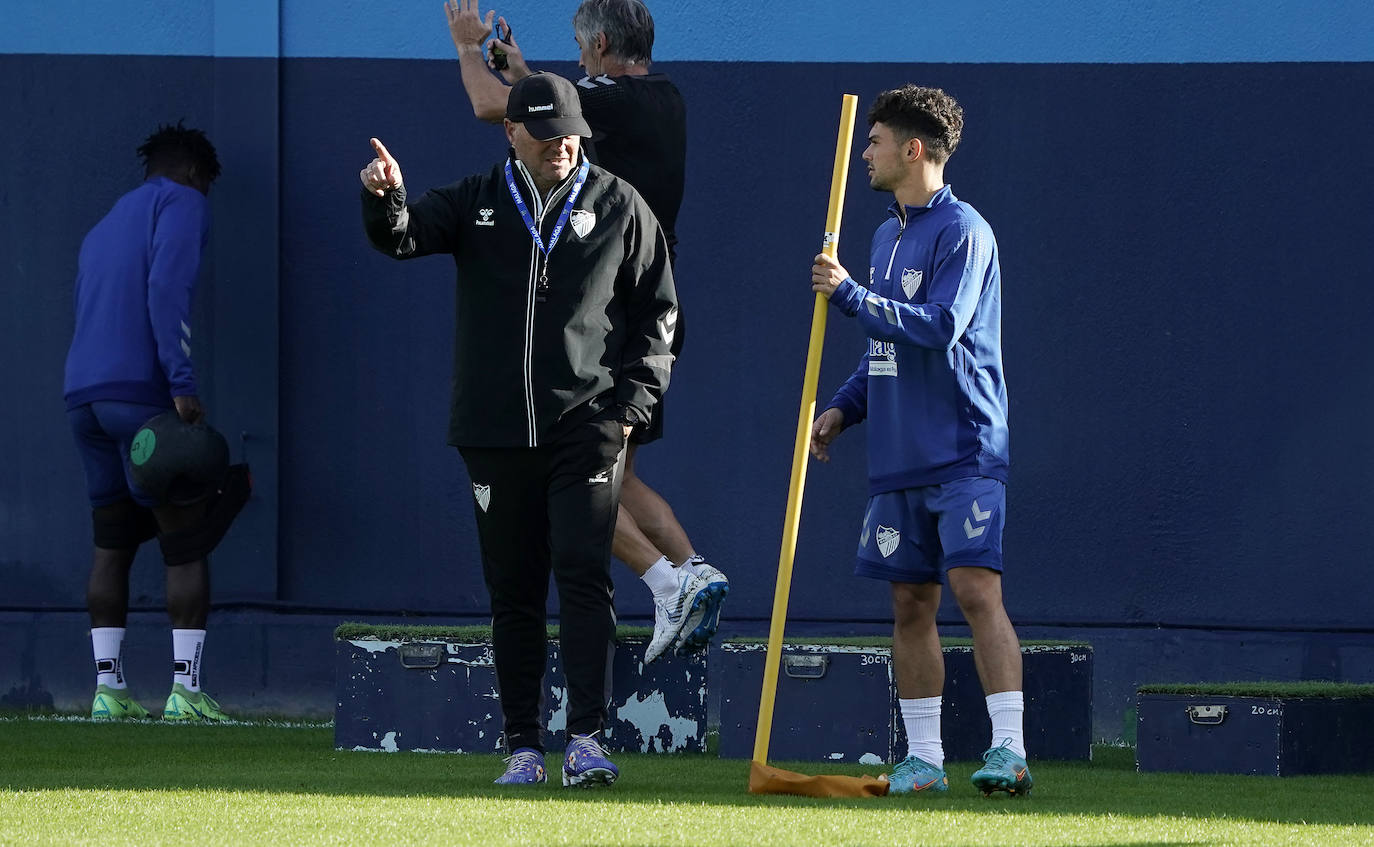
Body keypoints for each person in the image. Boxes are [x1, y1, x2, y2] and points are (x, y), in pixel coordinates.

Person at [359, 72, 678, 787]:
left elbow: (660, 312)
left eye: (570, 133)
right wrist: (385, 198)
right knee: (514, 590)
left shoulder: (619, 204)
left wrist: (630, 408)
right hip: (494, 432)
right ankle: (524, 746)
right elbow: (403, 238)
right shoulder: (477, 199)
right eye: (545, 134)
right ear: (512, 133)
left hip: (587, 428)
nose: (562, 146)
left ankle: (589, 739)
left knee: (583, 573)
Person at [445, 0, 727, 664]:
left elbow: (496, 110)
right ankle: (694, 573)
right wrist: (524, 71)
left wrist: (466, 50)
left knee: (576, 479)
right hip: (654, 305)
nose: (576, 60)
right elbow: (565, 104)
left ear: (599, 45)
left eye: (579, 49)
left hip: (616, 314)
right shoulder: (665, 99)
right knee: (619, 473)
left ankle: (670, 584)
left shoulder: (614, 103)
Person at [808, 85, 1032, 797]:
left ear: (912, 149)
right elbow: (888, 345)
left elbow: (939, 326)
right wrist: (843, 408)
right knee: (910, 601)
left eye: (874, 142)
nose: (864, 153)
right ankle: (925, 758)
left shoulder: (965, 229)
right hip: (898, 454)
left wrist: (848, 295)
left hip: (964, 444)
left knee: (973, 587)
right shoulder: (883, 236)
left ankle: (1009, 750)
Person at [64, 122, 231, 722]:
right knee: (183, 540)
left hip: (83, 398)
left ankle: (108, 691)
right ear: (192, 172)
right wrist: (181, 385)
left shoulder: (106, 222)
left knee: (110, 544)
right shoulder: (183, 200)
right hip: (140, 398)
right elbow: (167, 287)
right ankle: (185, 693)